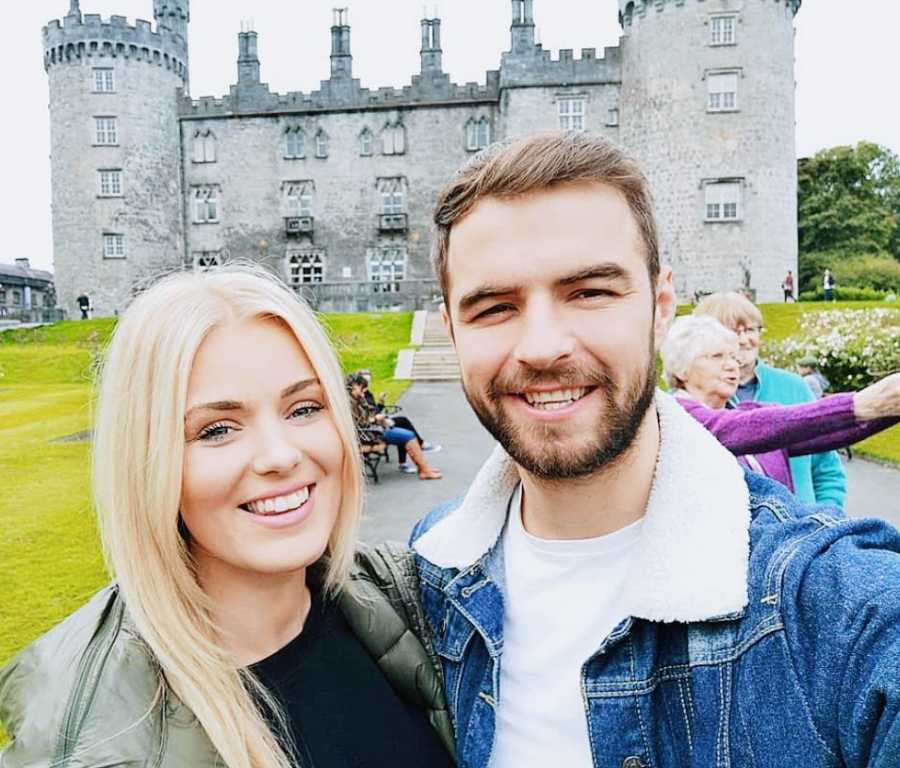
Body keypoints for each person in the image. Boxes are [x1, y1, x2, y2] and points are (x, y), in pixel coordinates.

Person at [410, 132, 900, 768]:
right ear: (451, 329)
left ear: (660, 306)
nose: (541, 346)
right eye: (494, 307)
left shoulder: (837, 609)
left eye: (590, 292)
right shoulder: (433, 567)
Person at [0, 265, 455, 767]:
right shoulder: (89, 734)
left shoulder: (410, 602)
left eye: (303, 408)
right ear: (145, 461)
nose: (279, 456)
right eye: (217, 429)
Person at [660, 314, 899, 488]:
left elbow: (815, 432)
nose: (732, 364)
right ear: (681, 368)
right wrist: (860, 404)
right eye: (717, 356)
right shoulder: (676, 416)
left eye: (733, 357)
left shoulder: (747, 413)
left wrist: (887, 409)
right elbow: (732, 429)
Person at [693, 290, 847, 508]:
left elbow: (827, 471)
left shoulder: (794, 388)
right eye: (733, 332)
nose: (745, 340)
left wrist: (826, 521)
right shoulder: (690, 400)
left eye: (750, 329)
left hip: (801, 533)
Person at [348, 374, 443, 480]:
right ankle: (424, 470)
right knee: (409, 435)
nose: (363, 391)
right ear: (353, 386)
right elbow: (360, 424)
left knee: (405, 429)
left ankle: (424, 469)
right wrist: (375, 419)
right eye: (361, 388)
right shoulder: (350, 403)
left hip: (374, 429)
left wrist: (376, 414)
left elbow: (369, 414)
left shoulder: (357, 399)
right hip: (371, 434)